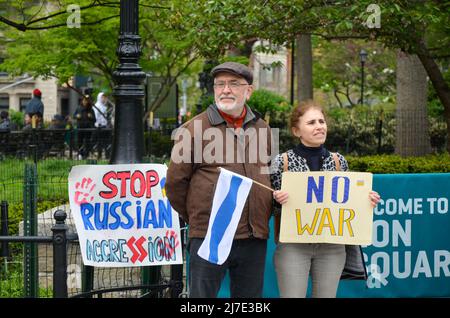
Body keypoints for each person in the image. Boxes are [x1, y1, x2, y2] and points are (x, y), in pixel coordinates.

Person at [165, 62, 273, 298]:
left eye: (234, 84)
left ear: (249, 90)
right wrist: (199, 216)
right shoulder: (193, 129)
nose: (226, 90)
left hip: (253, 237)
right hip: (209, 235)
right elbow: (174, 185)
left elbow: (270, 178)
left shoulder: (263, 129)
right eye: (220, 84)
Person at [271, 100, 381, 298]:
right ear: (297, 131)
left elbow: (348, 202)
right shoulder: (282, 162)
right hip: (294, 246)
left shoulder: (339, 161)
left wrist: (366, 201)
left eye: (321, 121)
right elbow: (269, 205)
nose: (319, 126)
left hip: (332, 247)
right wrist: (277, 199)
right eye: (311, 122)